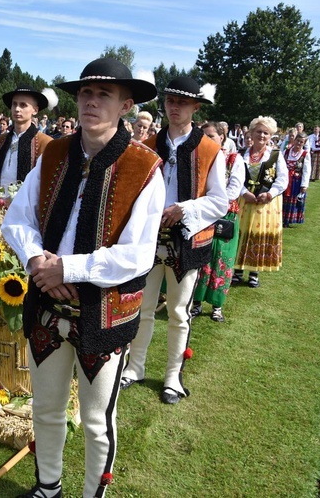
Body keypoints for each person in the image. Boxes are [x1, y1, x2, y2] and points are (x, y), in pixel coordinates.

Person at [2, 58, 164, 498]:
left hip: (104, 312)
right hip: (47, 304)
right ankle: (48, 487)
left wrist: (67, 268)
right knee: (47, 408)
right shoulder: (53, 152)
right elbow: (16, 220)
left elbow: (137, 255)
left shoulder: (144, 166)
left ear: (126, 104)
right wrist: (39, 263)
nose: (91, 102)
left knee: (96, 420)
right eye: (86, 94)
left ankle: (94, 494)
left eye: (104, 95)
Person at [123, 77, 228, 405]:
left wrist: (185, 209)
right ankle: (135, 367)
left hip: (187, 242)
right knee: (142, 307)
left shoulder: (210, 149)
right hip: (149, 241)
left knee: (179, 312)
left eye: (182, 102)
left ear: (196, 107)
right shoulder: (149, 144)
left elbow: (220, 201)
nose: (175, 106)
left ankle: (172, 376)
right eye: (170, 100)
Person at [190, 122, 246, 322]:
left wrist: (213, 203)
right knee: (200, 259)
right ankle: (195, 303)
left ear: (222, 137)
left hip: (225, 217)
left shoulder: (234, 159)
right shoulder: (199, 157)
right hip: (203, 217)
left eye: (211, 136)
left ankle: (216, 306)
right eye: (203, 136)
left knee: (222, 261)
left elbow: (234, 189)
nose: (207, 140)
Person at [233, 116, 288, 288]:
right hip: (245, 201)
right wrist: (243, 192)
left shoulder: (276, 155)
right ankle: (237, 270)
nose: (262, 135)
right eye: (259, 132)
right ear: (251, 133)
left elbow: (282, 179)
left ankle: (254, 272)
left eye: (265, 133)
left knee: (259, 235)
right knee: (241, 233)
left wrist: (270, 194)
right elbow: (234, 178)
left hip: (266, 205)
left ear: (270, 135)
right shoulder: (241, 154)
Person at [0, 86, 55, 196]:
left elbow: (48, 184)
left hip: (27, 210)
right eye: (14, 104)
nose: (17, 109)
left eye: (23, 105)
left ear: (35, 110)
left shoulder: (45, 143)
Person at [281, 132, 311, 227]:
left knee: (292, 200)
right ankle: (281, 218)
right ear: (294, 140)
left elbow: (306, 170)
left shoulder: (305, 154)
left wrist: (304, 185)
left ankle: (288, 220)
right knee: (283, 199)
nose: (298, 143)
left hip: (296, 182)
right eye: (297, 141)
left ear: (304, 143)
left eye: (301, 142)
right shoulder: (286, 151)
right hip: (285, 179)